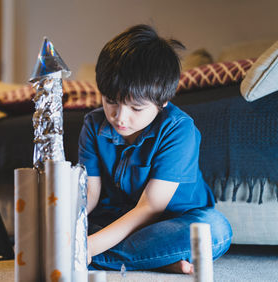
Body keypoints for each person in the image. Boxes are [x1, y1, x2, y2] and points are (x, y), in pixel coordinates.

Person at [78, 24, 232, 274]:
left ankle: (91, 255)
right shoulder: (93, 125)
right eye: (111, 102)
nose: (120, 117)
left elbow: (150, 208)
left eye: (136, 108)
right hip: (119, 218)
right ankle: (158, 260)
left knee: (215, 230)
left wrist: (87, 246)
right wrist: (67, 225)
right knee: (62, 224)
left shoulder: (179, 130)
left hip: (170, 219)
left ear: (163, 102)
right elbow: (90, 194)